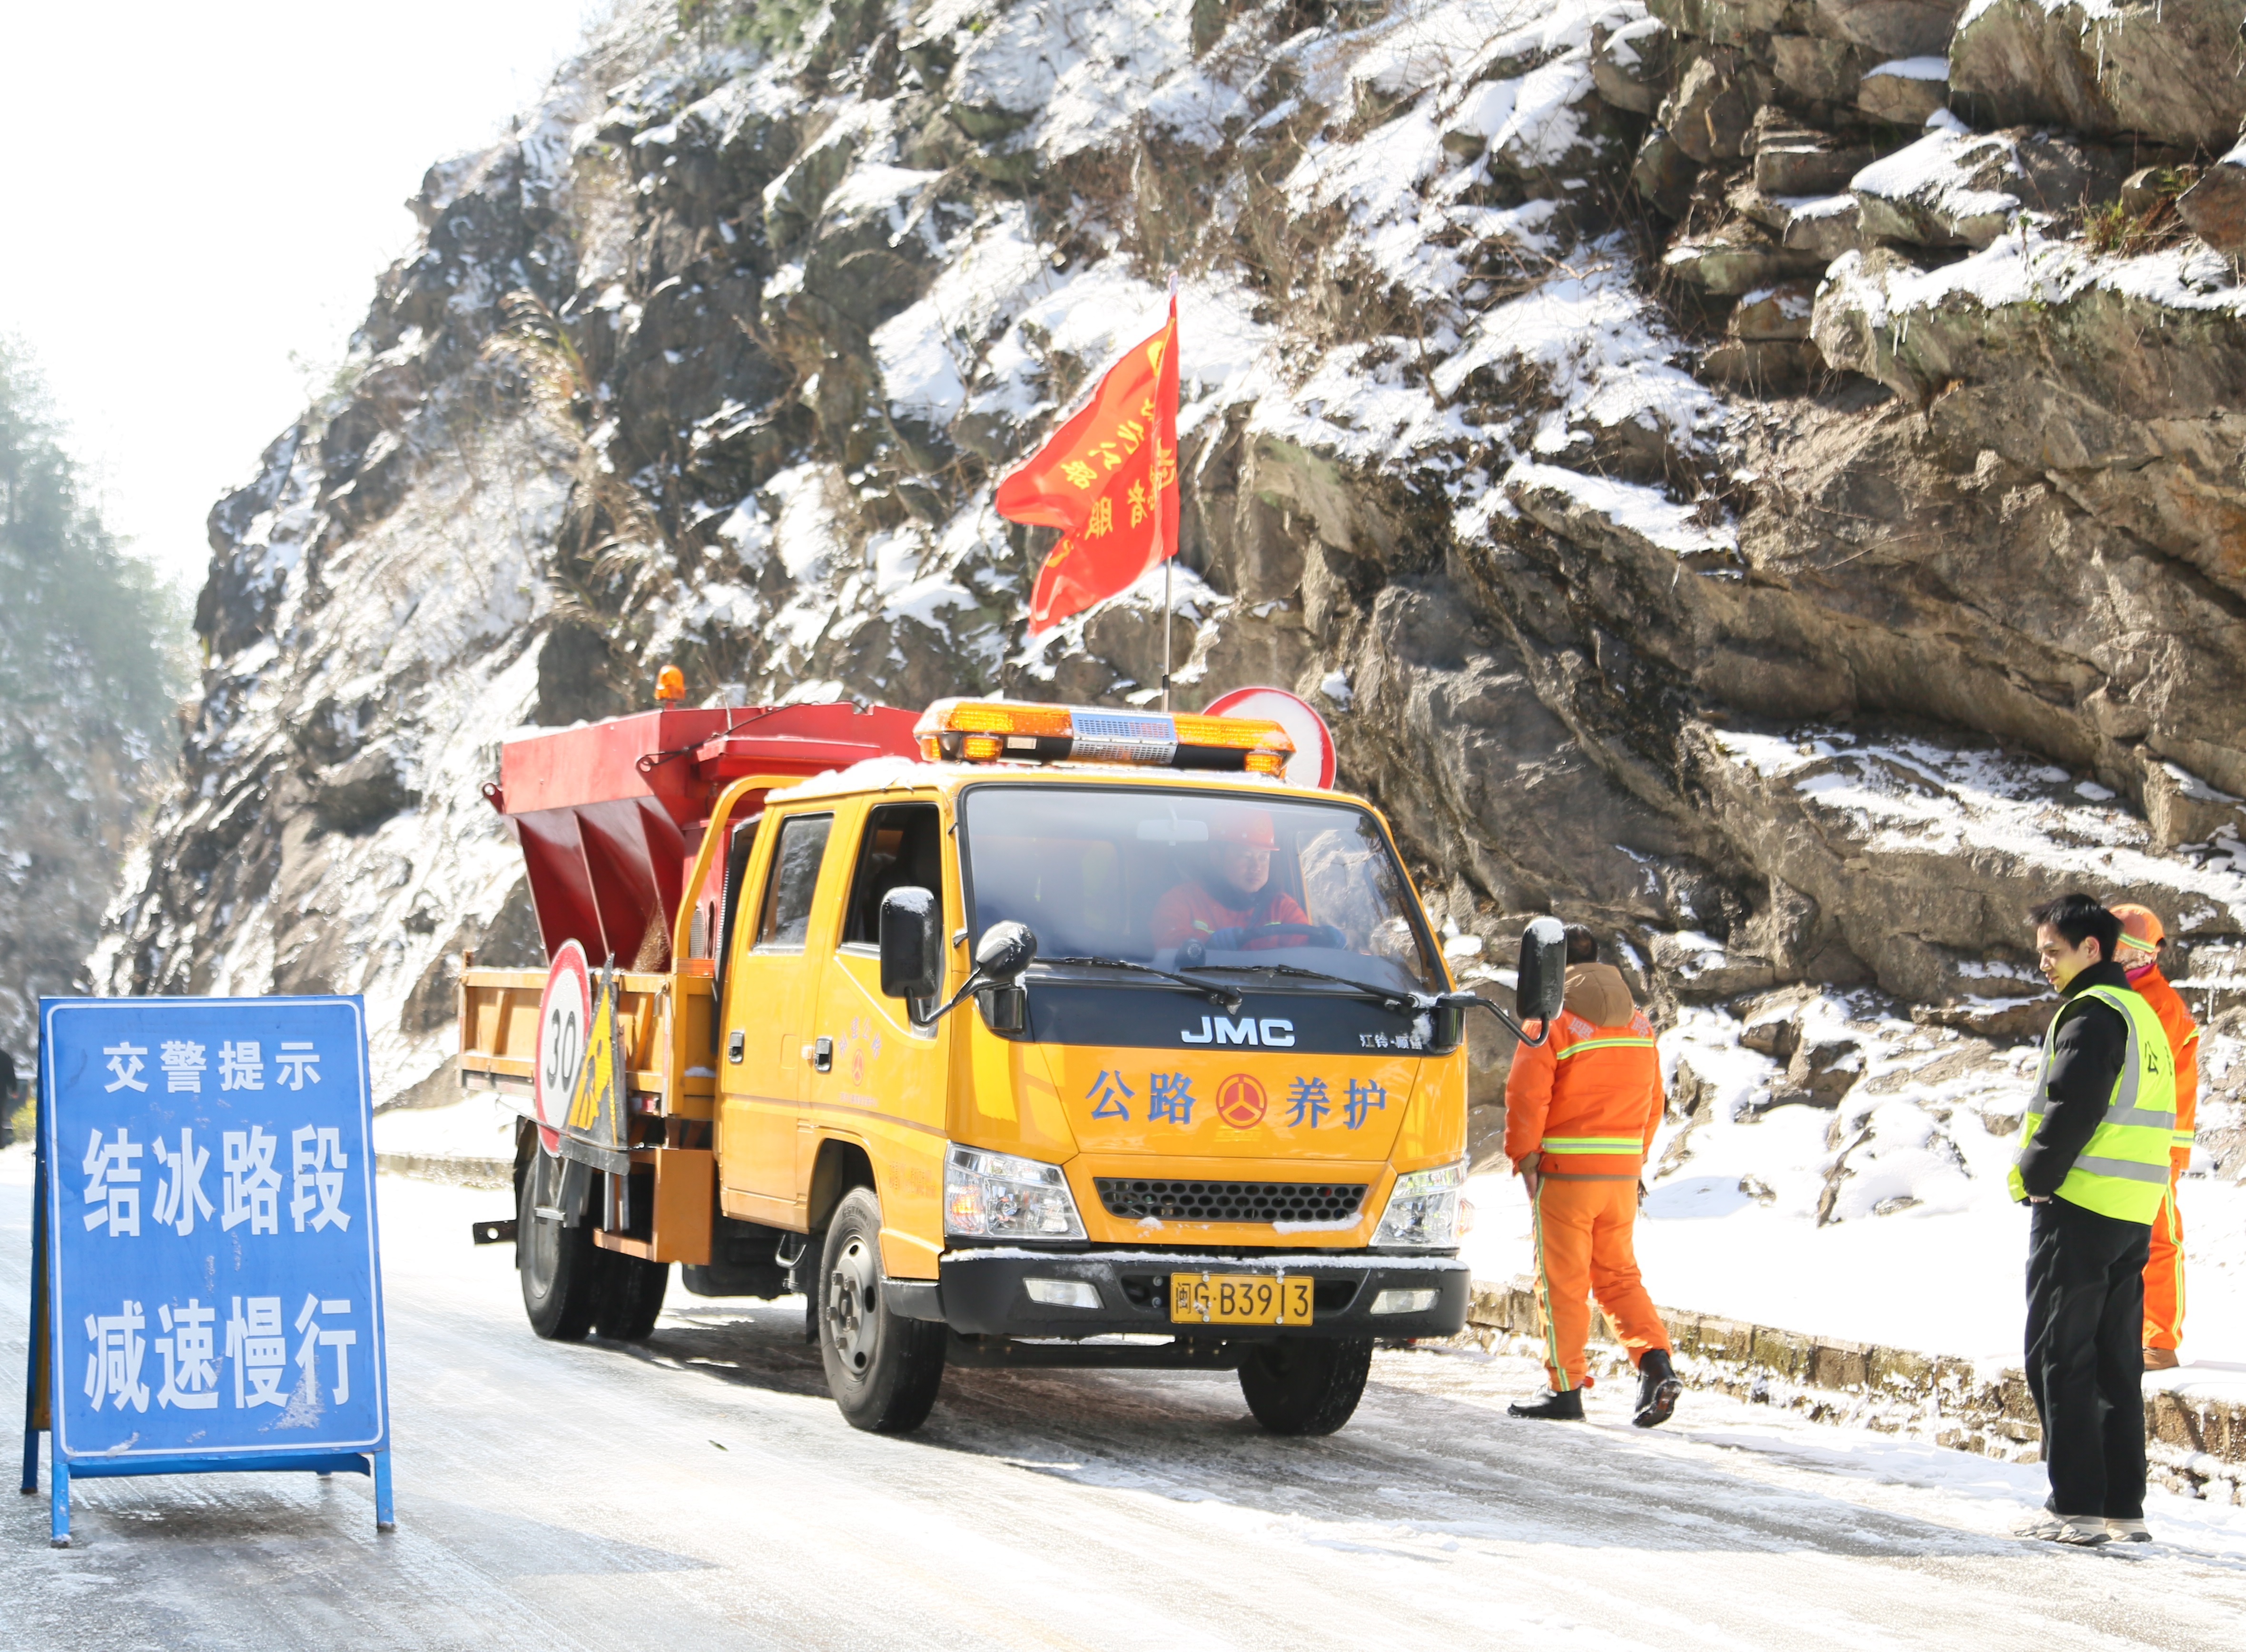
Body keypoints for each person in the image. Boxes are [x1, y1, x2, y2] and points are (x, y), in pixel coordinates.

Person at [2013, 894, 2175, 1546]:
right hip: (2134, 1214)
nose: (2045, 966)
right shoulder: (2143, 1015)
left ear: (2093, 949)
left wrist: (2035, 1178)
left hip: (2080, 1207)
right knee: (2114, 1363)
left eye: (2053, 952)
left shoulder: (2091, 1014)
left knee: (2059, 1356)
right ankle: (2120, 1509)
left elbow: (2071, 1105)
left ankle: (2074, 1506)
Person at [1503, 924, 1681, 1428]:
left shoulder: (1550, 1022)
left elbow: (1526, 1094)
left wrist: (1526, 1158)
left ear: (1553, 969)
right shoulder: (1639, 1026)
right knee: (1618, 1276)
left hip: (1564, 1176)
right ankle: (1654, 1363)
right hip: (1620, 1178)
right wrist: (1635, 1161)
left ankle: (1564, 1386)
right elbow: (1653, 1105)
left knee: (1561, 1281)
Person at [2108, 904, 2197, 1371]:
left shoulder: (2159, 1003)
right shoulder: (2119, 996)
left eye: (2120, 949)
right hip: (2124, 1143)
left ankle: (2159, 1341)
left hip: (2156, 1143)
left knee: (2158, 1239)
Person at [1150, 807, 1309, 949]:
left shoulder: (1281, 906)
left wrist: (1325, 945)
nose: (1257, 867)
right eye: (1246, 856)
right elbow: (1167, 941)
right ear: (1216, 857)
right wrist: (1206, 944)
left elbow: (1307, 950)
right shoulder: (1183, 900)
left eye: (1264, 857)